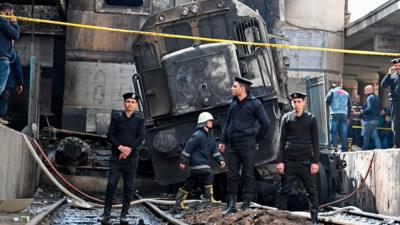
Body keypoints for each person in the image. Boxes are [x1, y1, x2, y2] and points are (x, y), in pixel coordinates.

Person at [219, 76, 269, 213]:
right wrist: (223, 141)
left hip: (247, 145)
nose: (231, 88)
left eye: (234, 86)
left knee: (248, 174)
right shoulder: (233, 104)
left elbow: (265, 124)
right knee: (232, 175)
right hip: (233, 145)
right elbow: (228, 123)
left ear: (242, 88)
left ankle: (247, 204)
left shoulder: (255, 104)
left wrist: (256, 139)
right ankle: (232, 205)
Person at [98, 92, 145, 225]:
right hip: (116, 158)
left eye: (132, 102)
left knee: (129, 187)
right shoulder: (117, 117)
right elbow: (110, 135)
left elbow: (140, 137)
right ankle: (106, 214)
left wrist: (128, 150)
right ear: (124, 103)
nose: (130, 104)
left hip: (131, 159)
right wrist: (120, 148)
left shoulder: (140, 119)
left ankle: (124, 215)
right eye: (128, 101)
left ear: (136, 105)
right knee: (111, 184)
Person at [276, 92, 320, 225]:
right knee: (284, 191)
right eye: (294, 102)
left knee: (311, 191)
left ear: (304, 103)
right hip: (289, 162)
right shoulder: (286, 118)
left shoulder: (311, 119)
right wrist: (280, 161)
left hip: (305, 162)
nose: (296, 104)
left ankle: (314, 221)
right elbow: (281, 141)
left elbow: (316, 142)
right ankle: (280, 219)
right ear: (291, 103)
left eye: (299, 101)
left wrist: (315, 162)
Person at [175, 112, 225, 210]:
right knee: (208, 173)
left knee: (190, 182)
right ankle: (209, 198)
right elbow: (187, 148)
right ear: (204, 122)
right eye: (210, 121)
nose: (211, 122)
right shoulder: (197, 135)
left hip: (203, 163)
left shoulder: (210, 136)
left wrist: (220, 160)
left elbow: (214, 151)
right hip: (197, 164)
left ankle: (179, 201)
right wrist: (183, 161)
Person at [0, 3, 20, 100]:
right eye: (12, 14)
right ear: (8, 12)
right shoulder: (2, 20)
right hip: (2, 59)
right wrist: (14, 23)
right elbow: (15, 34)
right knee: (0, 88)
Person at [325, 83, 351, 152]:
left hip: (334, 113)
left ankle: (334, 147)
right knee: (343, 132)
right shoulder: (346, 93)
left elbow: (326, 100)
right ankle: (344, 148)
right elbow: (349, 105)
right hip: (344, 114)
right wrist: (348, 116)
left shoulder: (332, 91)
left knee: (333, 131)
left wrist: (331, 105)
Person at [381, 58, 400, 147]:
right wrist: (388, 73)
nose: (397, 68)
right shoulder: (392, 76)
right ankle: (397, 144)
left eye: (399, 66)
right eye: (396, 66)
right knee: (396, 123)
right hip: (395, 102)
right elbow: (383, 85)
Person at [0, 50, 23, 124]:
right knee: (4, 100)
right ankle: (1, 117)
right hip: (8, 83)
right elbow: (18, 70)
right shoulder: (14, 55)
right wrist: (20, 83)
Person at [361, 85, 381, 150]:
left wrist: (363, 111)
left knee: (366, 135)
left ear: (370, 90)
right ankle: (379, 148)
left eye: (365, 90)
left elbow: (370, 109)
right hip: (376, 119)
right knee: (375, 135)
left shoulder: (369, 97)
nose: (364, 92)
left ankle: (364, 149)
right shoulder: (376, 97)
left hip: (369, 119)